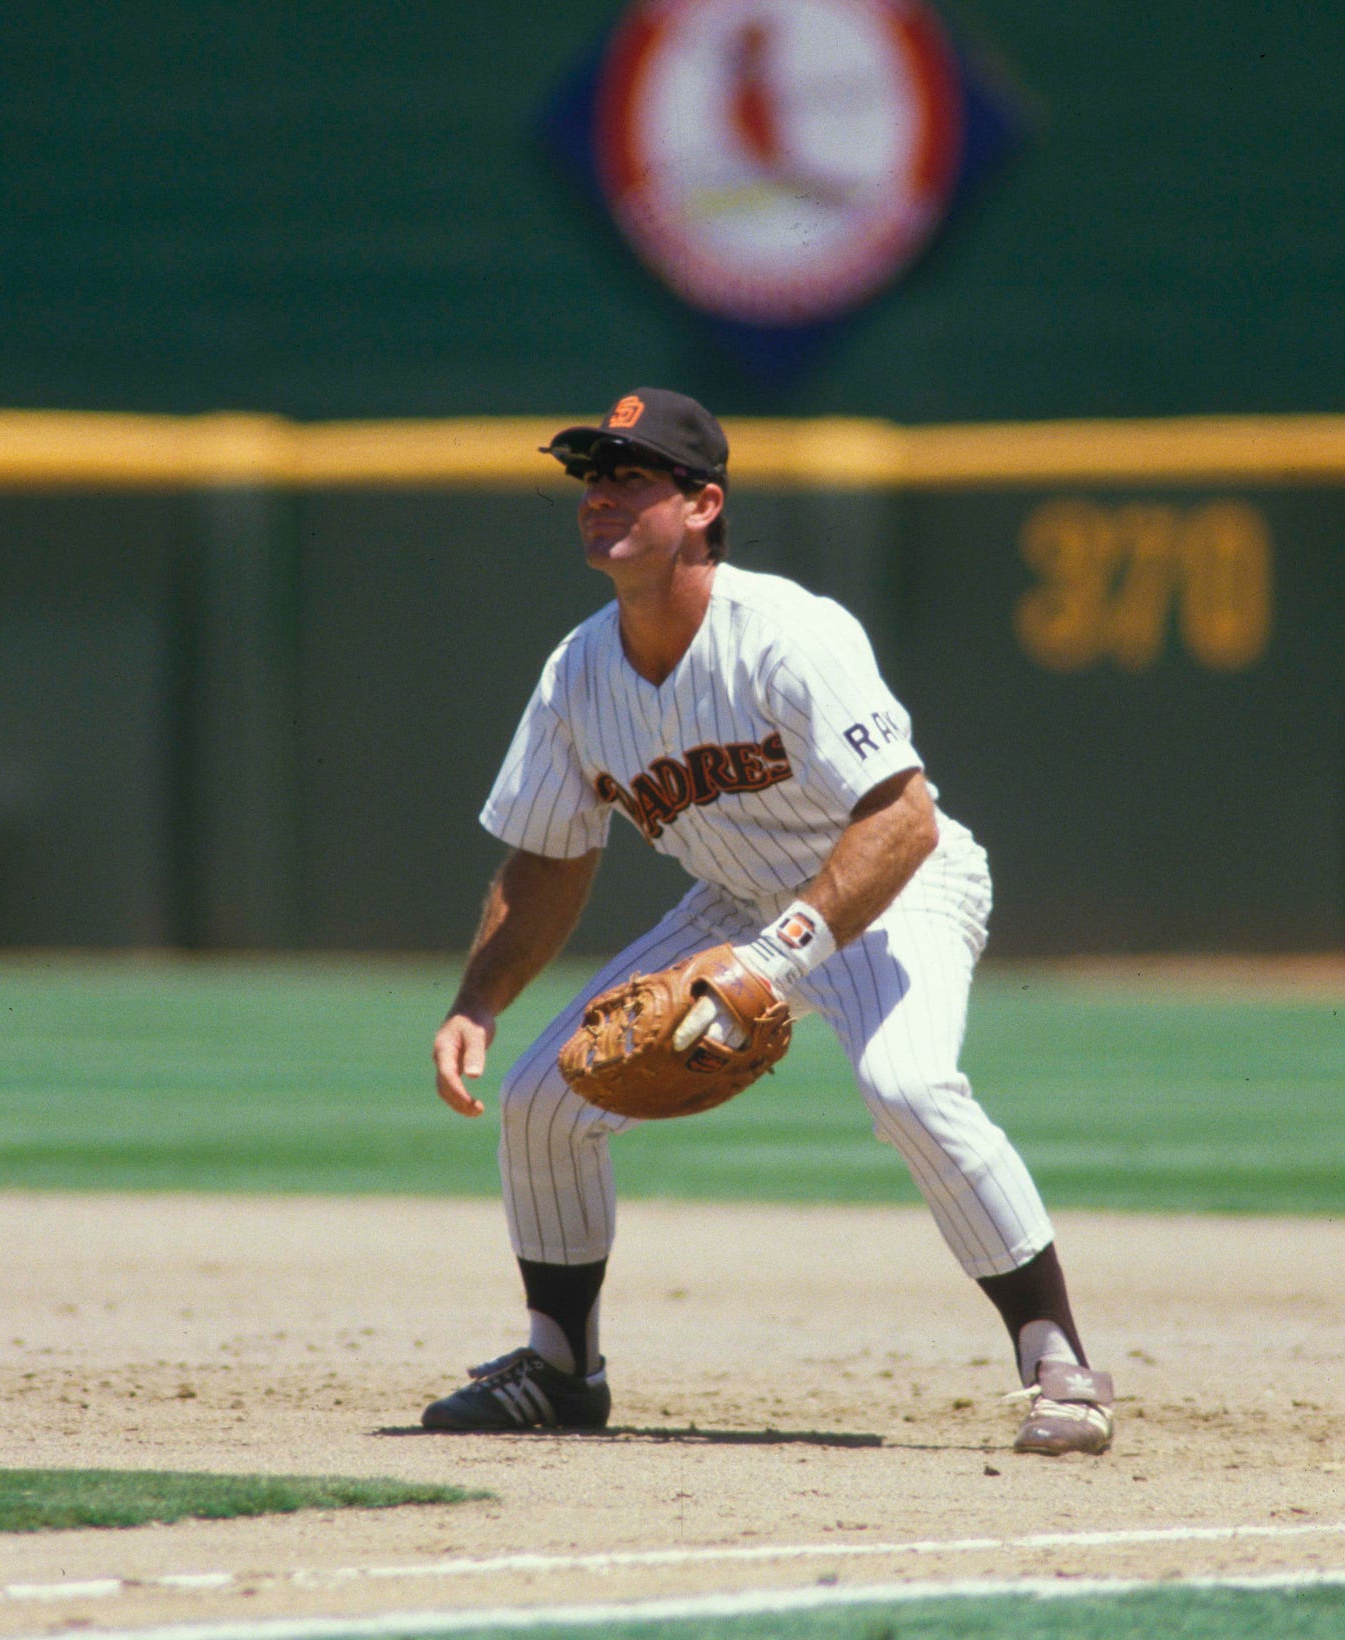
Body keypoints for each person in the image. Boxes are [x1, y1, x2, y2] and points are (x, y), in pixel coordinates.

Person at [427, 388, 1113, 1456]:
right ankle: (561, 1370)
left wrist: (773, 961)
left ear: (701, 504)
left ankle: (1058, 1363)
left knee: (907, 1086)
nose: (598, 496)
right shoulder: (575, 674)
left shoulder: (786, 633)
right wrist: (479, 997)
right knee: (539, 1103)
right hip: (733, 898)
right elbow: (550, 857)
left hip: (893, 888)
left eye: (628, 477)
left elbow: (904, 818)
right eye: (589, 478)